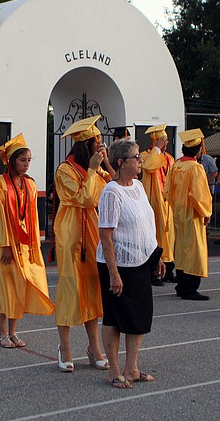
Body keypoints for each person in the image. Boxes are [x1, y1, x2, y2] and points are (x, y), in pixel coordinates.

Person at [98, 139, 164, 388]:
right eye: (136, 157)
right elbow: (106, 235)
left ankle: (132, 368)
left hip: (139, 261)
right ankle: (114, 370)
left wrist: (155, 255)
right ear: (120, 162)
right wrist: (114, 274)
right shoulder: (111, 192)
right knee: (114, 317)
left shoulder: (137, 186)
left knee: (139, 317)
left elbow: (147, 223)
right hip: (116, 264)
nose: (140, 161)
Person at [0, 133, 55, 348]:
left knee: (19, 287)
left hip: (23, 244)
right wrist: (5, 245)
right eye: (22, 160)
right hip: (4, 245)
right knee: (5, 288)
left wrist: (34, 242)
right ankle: (2, 334)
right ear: (11, 161)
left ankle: (13, 332)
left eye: (29, 160)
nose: (26, 165)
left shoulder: (30, 185)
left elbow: (32, 217)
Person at [53, 115, 111, 372]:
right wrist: (92, 169)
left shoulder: (97, 169)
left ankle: (93, 346)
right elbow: (85, 199)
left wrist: (104, 165)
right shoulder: (65, 170)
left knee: (92, 289)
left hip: (92, 231)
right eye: (95, 143)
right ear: (84, 145)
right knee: (69, 289)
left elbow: (111, 189)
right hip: (71, 234)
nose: (99, 147)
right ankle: (64, 346)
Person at [165, 129, 213, 300]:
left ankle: (182, 285)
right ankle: (190, 288)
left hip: (178, 213)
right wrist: (206, 212)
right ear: (199, 150)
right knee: (194, 251)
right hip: (192, 214)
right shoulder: (196, 168)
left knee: (181, 249)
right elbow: (199, 195)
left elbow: (167, 191)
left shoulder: (176, 165)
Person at [139, 123, 175, 283]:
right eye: (162, 140)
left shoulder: (170, 159)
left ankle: (168, 270)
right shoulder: (146, 156)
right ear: (155, 141)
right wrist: (157, 149)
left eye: (166, 140)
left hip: (167, 203)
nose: (165, 143)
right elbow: (148, 167)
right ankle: (154, 272)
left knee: (168, 236)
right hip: (154, 202)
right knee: (155, 236)